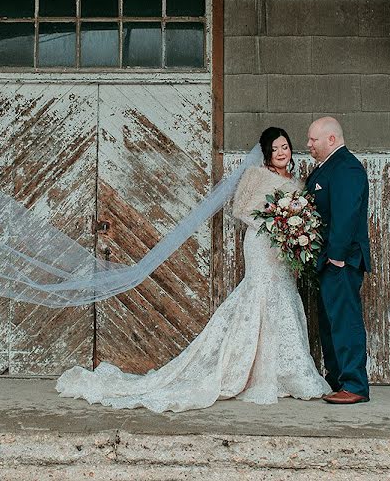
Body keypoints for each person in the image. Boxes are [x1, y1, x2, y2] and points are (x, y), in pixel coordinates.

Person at [55, 127, 331, 412]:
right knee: (260, 292)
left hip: (282, 249)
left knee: (283, 296)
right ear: (267, 154)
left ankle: (285, 373)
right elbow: (240, 209)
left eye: (285, 146)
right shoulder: (256, 176)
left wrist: (291, 232)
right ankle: (247, 372)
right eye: (276, 149)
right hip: (261, 244)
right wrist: (274, 223)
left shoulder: (298, 184)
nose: (282, 152)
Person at [305, 117, 372, 404]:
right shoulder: (327, 167)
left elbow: (346, 215)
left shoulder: (346, 167)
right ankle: (338, 380)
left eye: (313, 140)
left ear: (331, 139)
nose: (308, 145)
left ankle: (355, 384)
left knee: (345, 321)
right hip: (326, 262)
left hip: (340, 262)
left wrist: (337, 257)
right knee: (331, 323)